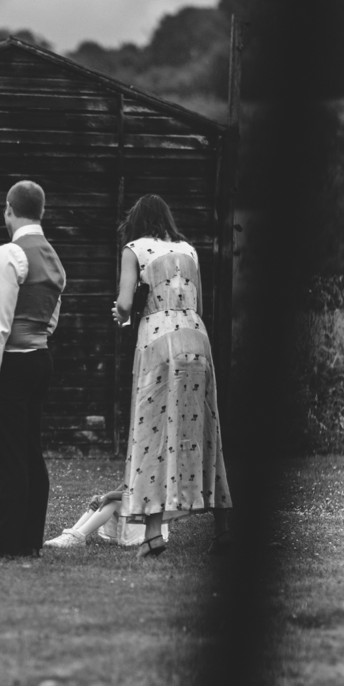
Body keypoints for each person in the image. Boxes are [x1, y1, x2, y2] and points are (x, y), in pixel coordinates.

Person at [111, 193, 232, 558]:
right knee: (206, 428)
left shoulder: (134, 249)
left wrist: (120, 314)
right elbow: (194, 299)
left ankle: (152, 533)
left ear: (136, 222)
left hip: (159, 340)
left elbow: (125, 303)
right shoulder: (189, 250)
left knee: (152, 430)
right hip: (196, 336)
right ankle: (223, 526)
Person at [0, 179, 63, 558]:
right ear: (40, 211)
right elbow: (53, 317)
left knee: (6, 452)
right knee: (28, 448)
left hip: (10, 360)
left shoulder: (11, 252)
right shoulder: (53, 256)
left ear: (8, 209)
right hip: (40, 357)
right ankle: (29, 538)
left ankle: (3, 540)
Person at [43, 483, 171, 549]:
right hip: (136, 513)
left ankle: (79, 536)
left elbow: (143, 495)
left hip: (148, 521)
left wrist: (109, 496)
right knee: (106, 500)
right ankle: (73, 533)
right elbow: (122, 489)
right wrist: (102, 497)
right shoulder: (136, 462)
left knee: (113, 500)